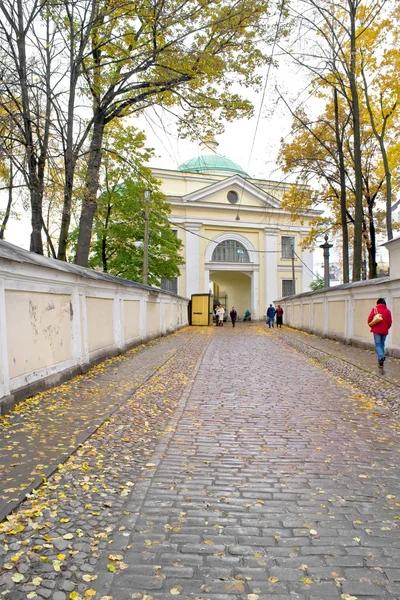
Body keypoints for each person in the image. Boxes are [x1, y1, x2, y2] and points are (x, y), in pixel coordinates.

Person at [367, 298, 392, 367]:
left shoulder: (375, 309)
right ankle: (380, 362)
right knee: (382, 345)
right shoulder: (388, 311)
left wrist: (371, 324)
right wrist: (386, 328)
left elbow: (369, 319)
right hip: (384, 331)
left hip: (376, 330)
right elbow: (390, 322)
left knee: (378, 345)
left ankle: (381, 356)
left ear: (378, 303)